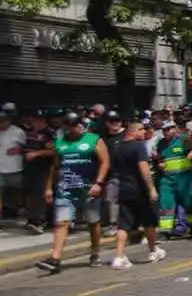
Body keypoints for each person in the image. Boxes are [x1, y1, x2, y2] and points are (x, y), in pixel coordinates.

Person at [36, 113, 110, 272]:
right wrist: (49, 187)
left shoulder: (94, 139)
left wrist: (99, 183)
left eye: (77, 125)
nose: (76, 129)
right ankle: (55, 259)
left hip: (89, 190)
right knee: (61, 223)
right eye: (70, 126)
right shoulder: (60, 143)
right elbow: (55, 166)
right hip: (65, 191)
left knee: (93, 222)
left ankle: (95, 251)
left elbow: (105, 162)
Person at [109, 121, 165, 268]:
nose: (144, 133)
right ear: (133, 131)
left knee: (123, 224)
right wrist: (151, 189)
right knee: (149, 221)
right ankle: (153, 250)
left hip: (124, 189)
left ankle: (119, 257)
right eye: (141, 130)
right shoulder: (138, 146)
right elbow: (144, 169)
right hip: (139, 190)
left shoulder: (118, 148)